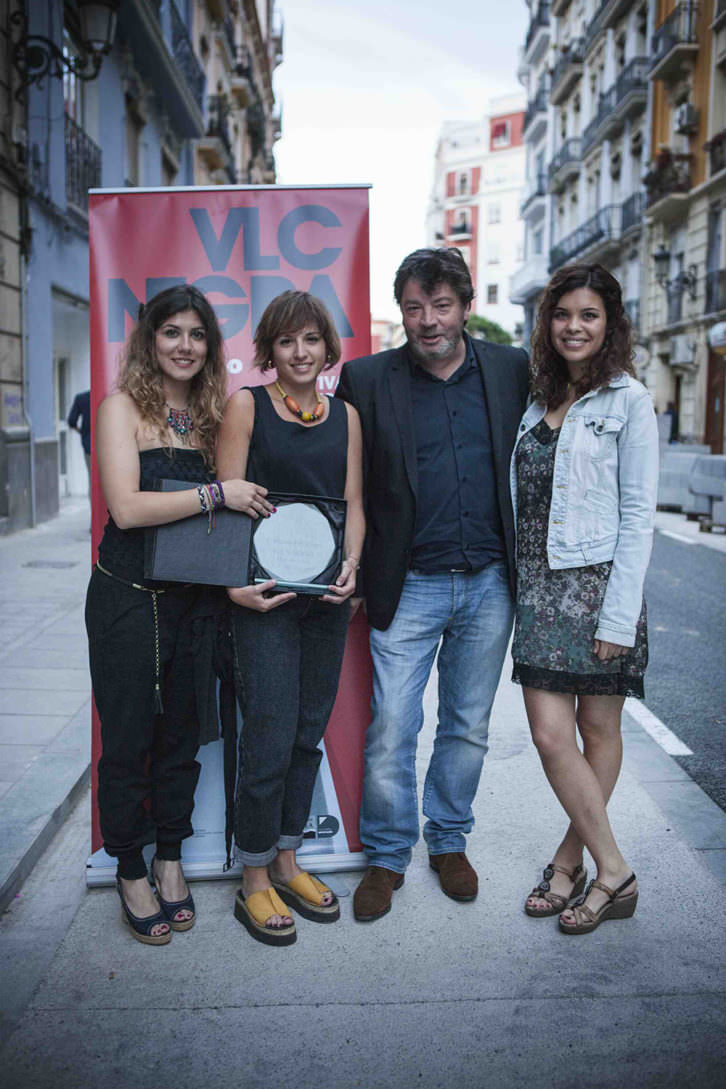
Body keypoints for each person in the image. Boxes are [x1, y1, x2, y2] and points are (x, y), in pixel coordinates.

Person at [336, 247, 529, 921]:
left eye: (441, 305)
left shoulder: (512, 369)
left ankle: (449, 841)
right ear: (402, 313)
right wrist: (348, 559)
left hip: (489, 583)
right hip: (407, 581)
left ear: (467, 308)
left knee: (468, 724)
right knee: (392, 725)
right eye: (414, 307)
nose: (427, 320)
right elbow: (343, 480)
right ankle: (388, 856)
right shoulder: (365, 379)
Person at [86, 285, 266, 946]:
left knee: (182, 740)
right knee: (129, 738)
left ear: (210, 347)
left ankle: (169, 857)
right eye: (172, 332)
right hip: (128, 600)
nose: (185, 345)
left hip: (196, 601)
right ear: (150, 339)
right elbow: (127, 509)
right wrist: (216, 490)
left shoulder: (215, 413)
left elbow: (225, 519)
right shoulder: (121, 409)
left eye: (197, 334)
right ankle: (128, 867)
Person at [511, 263, 658, 935]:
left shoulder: (629, 399)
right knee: (549, 735)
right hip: (540, 591)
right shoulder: (536, 397)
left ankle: (575, 864)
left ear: (610, 324)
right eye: (563, 313)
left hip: (600, 589)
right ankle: (615, 869)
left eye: (589, 315)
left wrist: (619, 616)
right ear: (549, 323)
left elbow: (637, 515)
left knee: (597, 731)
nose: (574, 325)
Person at [216, 290, 364, 946]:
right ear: (270, 351)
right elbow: (224, 504)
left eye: (311, 340)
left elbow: (353, 501)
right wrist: (231, 588)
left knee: (307, 731)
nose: (300, 352)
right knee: (269, 732)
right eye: (286, 341)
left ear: (327, 348)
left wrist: (353, 563)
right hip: (266, 596)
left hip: (325, 598)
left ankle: (287, 857)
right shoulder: (246, 405)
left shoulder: (348, 417)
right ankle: (253, 876)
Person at [68, 389, 91, 484]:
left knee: (92, 478)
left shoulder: (81, 398)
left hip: (89, 444)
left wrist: (82, 432)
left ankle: (92, 499)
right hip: (107, 445)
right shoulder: (107, 396)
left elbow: (71, 421)